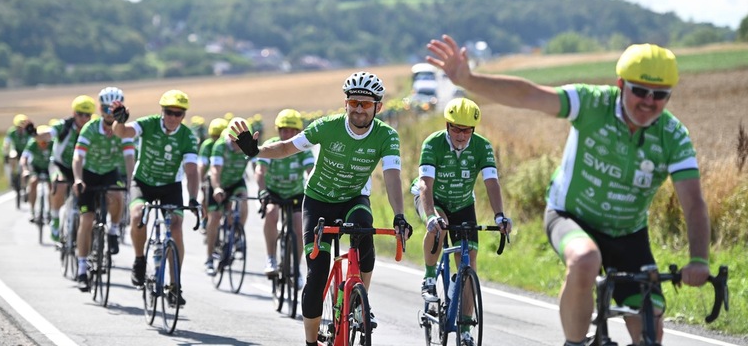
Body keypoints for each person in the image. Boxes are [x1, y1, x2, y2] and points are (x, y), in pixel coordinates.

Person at [426, 35, 711, 346]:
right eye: (640, 91)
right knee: (585, 259)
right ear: (620, 85)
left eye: (660, 95)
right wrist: (469, 79)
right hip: (571, 216)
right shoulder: (593, 103)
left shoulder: (672, 135)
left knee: (650, 332)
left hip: (628, 232)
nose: (648, 101)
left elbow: (693, 203)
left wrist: (699, 259)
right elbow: (529, 95)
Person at [230, 71, 413, 346]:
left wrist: (399, 215)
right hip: (319, 202)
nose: (359, 110)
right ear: (345, 104)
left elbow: (392, 176)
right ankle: (311, 342)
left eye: (365, 104)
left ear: (378, 106)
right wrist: (256, 151)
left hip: (353, 199)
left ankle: (361, 300)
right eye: (354, 103)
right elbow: (286, 148)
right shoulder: (327, 127)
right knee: (317, 276)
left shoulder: (387, 136)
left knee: (365, 232)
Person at [411, 97, 512, 345]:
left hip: (463, 203)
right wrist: (431, 215)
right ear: (447, 125)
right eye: (455, 128)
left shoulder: (482, 147)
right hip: (432, 199)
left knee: (469, 263)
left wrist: (500, 215)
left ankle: (465, 329)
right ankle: (430, 277)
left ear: (473, 130)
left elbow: (491, 182)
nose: (460, 135)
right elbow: (426, 184)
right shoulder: (433, 144)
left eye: (466, 130)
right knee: (440, 227)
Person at [110, 89, 200, 306]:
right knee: (138, 216)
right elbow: (122, 133)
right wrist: (119, 121)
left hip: (171, 185)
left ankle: (175, 285)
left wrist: (194, 198)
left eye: (178, 114)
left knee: (176, 227)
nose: (173, 117)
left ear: (184, 115)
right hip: (144, 182)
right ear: (162, 111)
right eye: (169, 112)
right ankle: (139, 260)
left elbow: (191, 170)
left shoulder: (187, 136)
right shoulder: (149, 124)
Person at [71, 87, 136, 292]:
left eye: (113, 107)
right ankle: (82, 268)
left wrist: (131, 180)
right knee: (87, 220)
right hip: (89, 174)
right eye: (106, 107)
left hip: (110, 172)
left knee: (117, 194)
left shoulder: (123, 130)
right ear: (100, 108)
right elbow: (78, 156)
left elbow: (128, 157)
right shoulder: (90, 128)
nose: (109, 112)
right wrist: (78, 178)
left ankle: (114, 230)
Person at [255, 109, 314, 278]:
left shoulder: (303, 148)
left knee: (299, 225)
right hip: (274, 192)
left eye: (291, 130)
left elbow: (311, 171)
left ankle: (295, 267)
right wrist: (262, 191)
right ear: (278, 130)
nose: (287, 134)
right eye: (284, 130)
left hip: (296, 193)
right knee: (271, 213)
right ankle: (271, 258)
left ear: (298, 132)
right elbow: (260, 170)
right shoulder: (271, 146)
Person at [35, 95, 96, 242]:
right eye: (80, 114)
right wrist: (34, 133)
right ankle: (55, 219)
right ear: (74, 113)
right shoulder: (64, 125)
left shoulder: (93, 128)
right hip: (60, 165)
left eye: (87, 115)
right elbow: (48, 134)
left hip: (81, 167)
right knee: (60, 184)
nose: (84, 118)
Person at [204, 116, 253, 275]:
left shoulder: (249, 146)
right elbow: (215, 171)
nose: (237, 146)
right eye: (234, 141)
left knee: (244, 200)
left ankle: (237, 233)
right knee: (216, 217)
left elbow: (259, 165)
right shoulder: (220, 146)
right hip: (218, 183)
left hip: (236, 182)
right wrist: (217, 188)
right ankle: (209, 258)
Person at [197, 117, 229, 234]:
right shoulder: (207, 145)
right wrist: (201, 181)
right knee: (206, 194)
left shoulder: (225, 145)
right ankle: (205, 217)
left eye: (218, 137)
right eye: (214, 137)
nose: (216, 140)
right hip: (209, 175)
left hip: (224, 175)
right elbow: (202, 165)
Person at [20, 125, 53, 222]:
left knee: (52, 186)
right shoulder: (32, 143)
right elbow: (24, 158)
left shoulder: (53, 143)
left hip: (49, 168)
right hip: (36, 167)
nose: (43, 145)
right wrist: (25, 170)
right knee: (33, 182)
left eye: (45, 142)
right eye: (40, 142)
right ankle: (32, 211)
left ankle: (50, 212)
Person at [3, 113, 36, 192]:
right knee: (12, 155)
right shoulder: (12, 132)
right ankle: (13, 174)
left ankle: (28, 177)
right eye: (18, 127)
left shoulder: (29, 132)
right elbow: (6, 143)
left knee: (30, 162)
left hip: (26, 151)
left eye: (22, 127)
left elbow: (33, 142)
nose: (20, 129)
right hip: (17, 150)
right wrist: (6, 153)